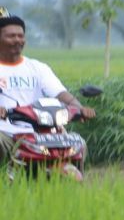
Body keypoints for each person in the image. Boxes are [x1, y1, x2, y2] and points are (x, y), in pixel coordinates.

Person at [0, 13, 96, 166]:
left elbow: (60, 93)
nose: (17, 40)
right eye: (11, 36)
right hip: (7, 132)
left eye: (21, 36)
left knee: (79, 144)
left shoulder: (38, 67)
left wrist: (79, 108)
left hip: (41, 132)